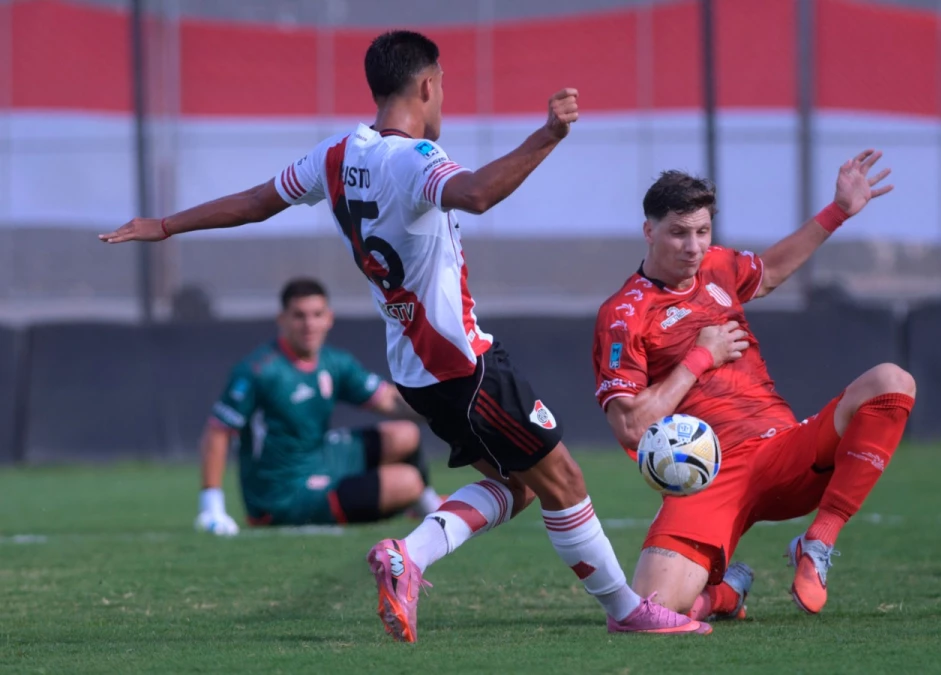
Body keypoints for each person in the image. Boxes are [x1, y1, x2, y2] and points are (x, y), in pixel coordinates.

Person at [99, 30, 708, 640]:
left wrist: (164, 225)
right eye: (442, 86)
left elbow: (259, 201)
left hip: (415, 370)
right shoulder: (412, 160)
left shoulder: (335, 157)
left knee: (516, 487)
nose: (443, 99)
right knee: (565, 482)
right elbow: (475, 194)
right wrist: (548, 135)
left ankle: (408, 558)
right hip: (464, 365)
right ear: (425, 85)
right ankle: (627, 611)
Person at [591, 151, 916, 622]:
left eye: (702, 232)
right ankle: (727, 594)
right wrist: (701, 357)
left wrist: (838, 210)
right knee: (648, 612)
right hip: (709, 475)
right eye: (678, 233)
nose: (693, 247)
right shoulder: (624, 314)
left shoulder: (717, 267)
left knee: (892, 382)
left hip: (783, 451)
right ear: (649, 231)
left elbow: (769, 273)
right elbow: (630, 425)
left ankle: (819, 539)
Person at [195, 278, 440, 535]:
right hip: (283, 492)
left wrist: (444, 409)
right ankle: (418, 501)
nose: (309, 324)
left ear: (329, 318)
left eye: (316, 314)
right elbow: (218, 432)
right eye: (299, 316)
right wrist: (212, 508)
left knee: (405, 433)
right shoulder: (258, 371)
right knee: (408, 482)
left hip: (320, 455)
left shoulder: (334, 362)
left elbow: (390, 400)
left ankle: (429, 507)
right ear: (282, 319)